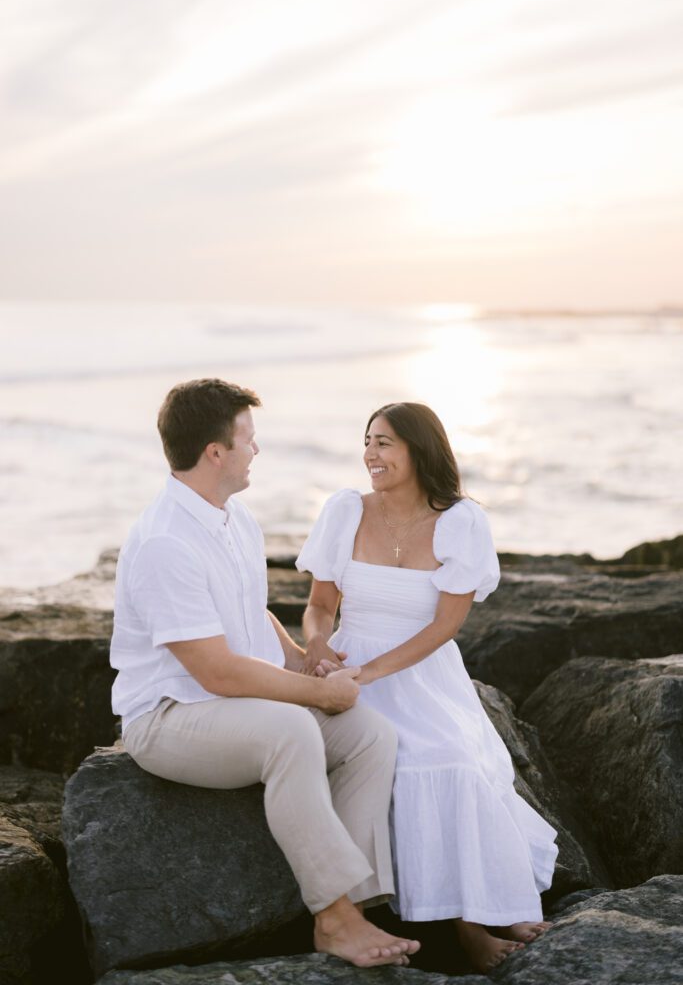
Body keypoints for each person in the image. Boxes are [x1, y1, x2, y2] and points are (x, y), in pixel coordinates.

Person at [110, 379, 420, 969]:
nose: (258, 449)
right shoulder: (165, 542)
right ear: (215, 452)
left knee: (371, 734)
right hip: (171, 717)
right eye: (249, 438)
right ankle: (332, 919)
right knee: (293, 731)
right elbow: (217, 672)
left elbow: (252, 613)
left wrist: (304, 662)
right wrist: (316, 694)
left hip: (232, 706)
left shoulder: (233, 517)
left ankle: (352, 903)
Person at [296, 402, 558, 974]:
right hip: (347, 667)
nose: (370, 454)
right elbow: (319, 607)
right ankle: (464, 931)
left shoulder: (460, 522)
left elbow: (444, 627)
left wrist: (369, 672)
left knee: (452, 759)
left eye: (385, 442)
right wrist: (317, 646)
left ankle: (489, 909)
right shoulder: (345, 511)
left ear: (420, 448)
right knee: (393, 761)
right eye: (367, 441)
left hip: (419, 670)